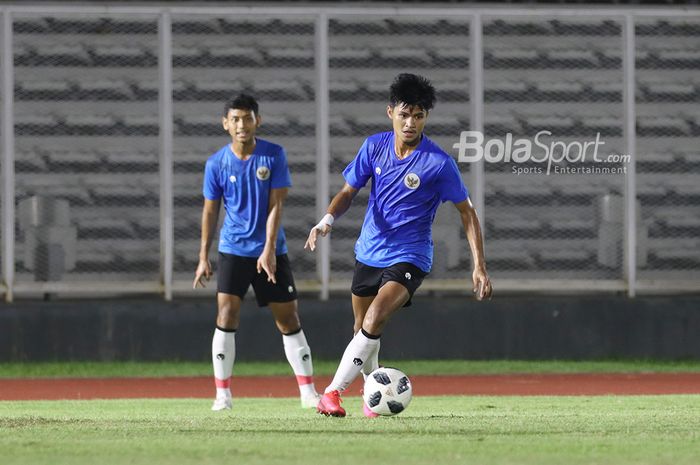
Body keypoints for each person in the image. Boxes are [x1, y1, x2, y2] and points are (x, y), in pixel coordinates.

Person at [305, 74, 492, 417]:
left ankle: (331, 393)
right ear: (390, 111)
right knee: (363, 329)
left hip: (411, 256)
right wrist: (327, 219)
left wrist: (479, 264)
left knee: (375, 317)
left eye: (418, 116)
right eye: (404, 114)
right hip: (369, 252)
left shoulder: (438, 163)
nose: (410, 123)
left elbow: (467, 212)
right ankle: (372, 397)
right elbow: (349, 191)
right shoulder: (374, 146)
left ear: (425, 118)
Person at [194, 94, 320, 411]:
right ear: (225, 124)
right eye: (235, 119)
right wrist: (202, 256)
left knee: (288, 318)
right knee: (226, 314)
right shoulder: (216, 163)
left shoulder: (273, 155)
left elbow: (277, 205)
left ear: (257, 121)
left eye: (247, 118)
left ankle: (307, 392)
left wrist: (268, 250)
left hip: (270, 251)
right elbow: (210, 212)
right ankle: (222, 395)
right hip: (233, 249)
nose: (241, 124)